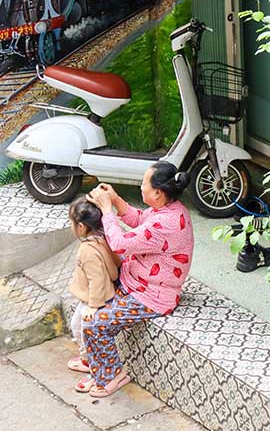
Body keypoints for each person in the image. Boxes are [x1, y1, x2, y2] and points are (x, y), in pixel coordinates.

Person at [78, 162, 194, 398]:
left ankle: (112, 375)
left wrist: (107, 211)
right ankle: (96, 364)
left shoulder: (166, 224)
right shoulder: (170, 209)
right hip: (134, 282)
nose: (141, 187)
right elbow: (140, 218)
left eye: (143, 183)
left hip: (151, 297)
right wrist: (116, 199)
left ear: (157, 193)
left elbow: (119, 243)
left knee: (95, 323)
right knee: (90, 304)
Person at [66, 196, 120, 393]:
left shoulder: (87, 250)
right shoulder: (102, 238)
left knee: (81, 328)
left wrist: (93, 305)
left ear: (81, 226)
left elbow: (96, 279)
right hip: (99, 296)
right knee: (77, 325)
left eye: (72, 223)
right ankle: (86, 359)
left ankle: (90, 363)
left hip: (94, 299)